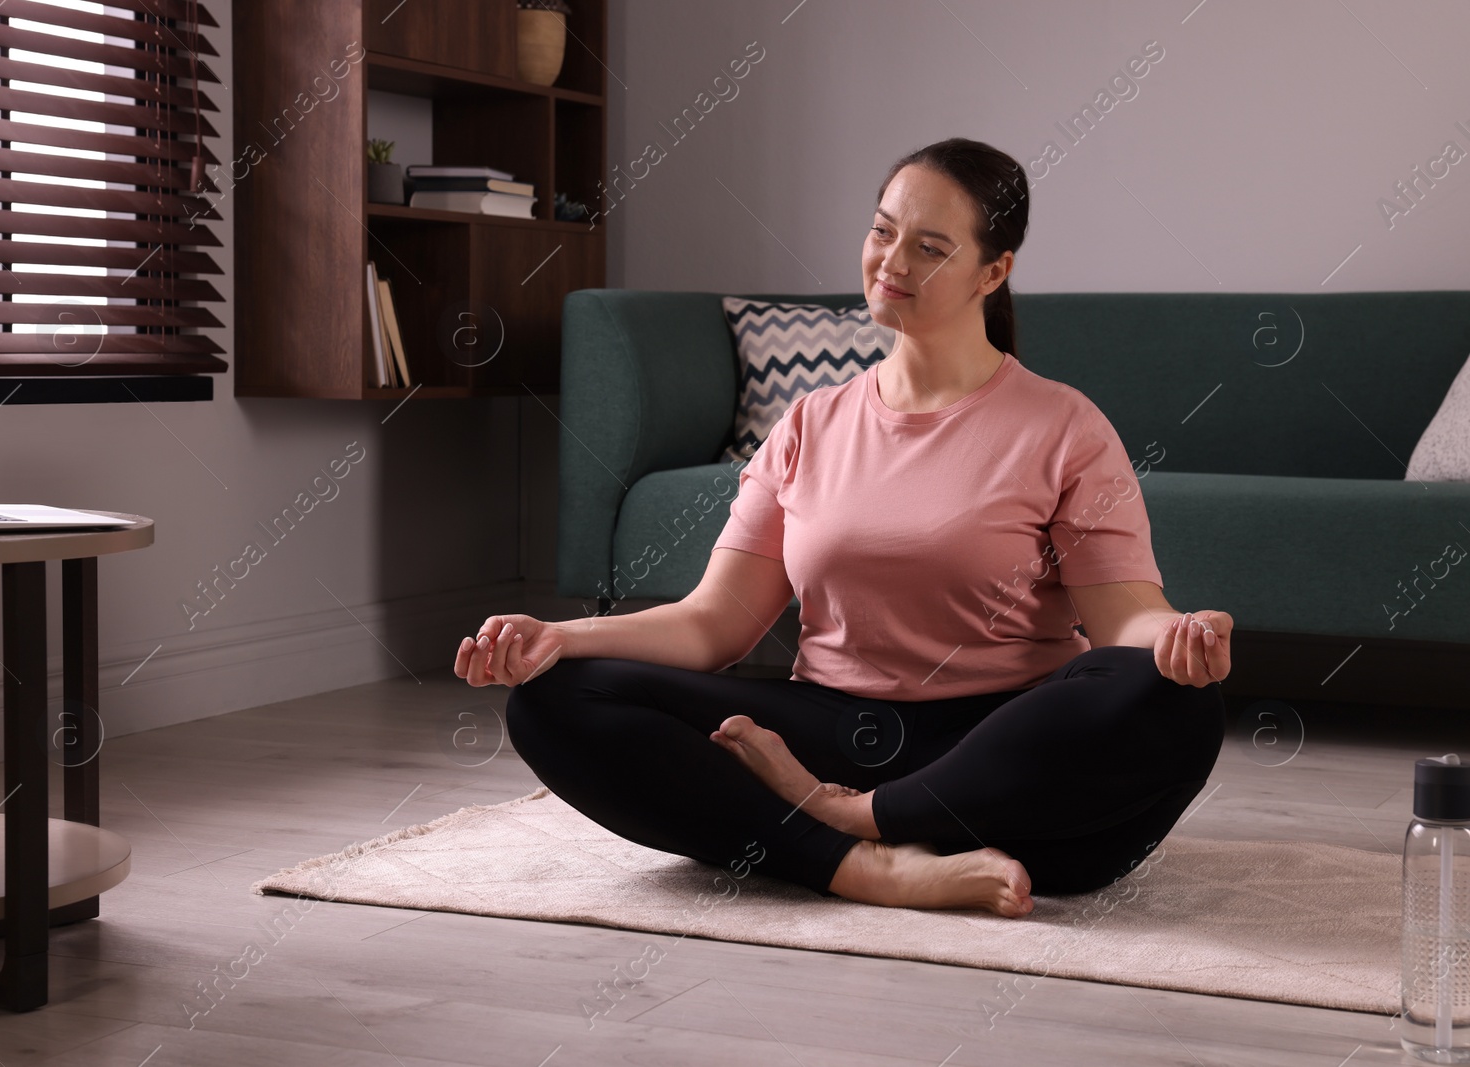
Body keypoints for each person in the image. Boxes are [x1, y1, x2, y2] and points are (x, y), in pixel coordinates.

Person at [453, 137, 1230, 918]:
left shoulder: (1066, 426)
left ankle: (850, 820)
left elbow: (1123, 616)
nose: (892, 260)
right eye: (882, 230)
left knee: (1173, 696)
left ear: (992, 273)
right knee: (552, 699)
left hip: (1001, 746)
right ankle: (865, 868)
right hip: (833, 729)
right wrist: (561, 637)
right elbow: (712, 623)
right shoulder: (809, 424)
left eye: (929, 247)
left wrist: (1178, 636)